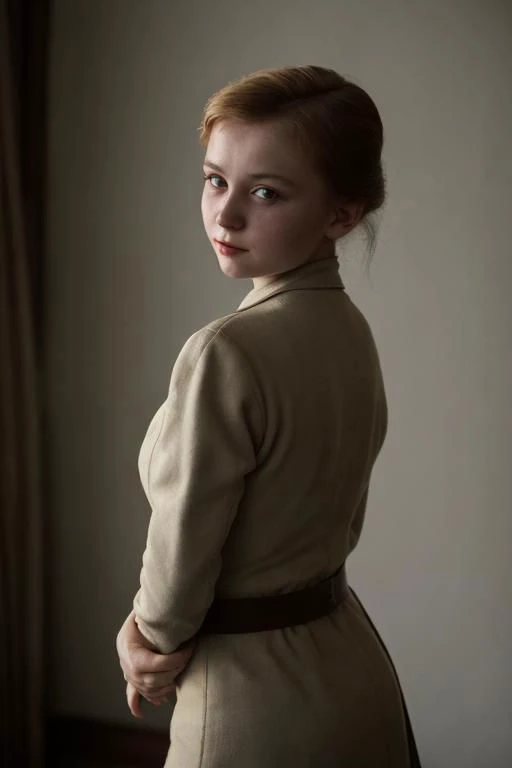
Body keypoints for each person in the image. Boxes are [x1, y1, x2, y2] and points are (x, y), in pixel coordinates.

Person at [116, 64, 421, 767]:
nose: (225, 215)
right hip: (351, 667)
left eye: (266, 192)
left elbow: (181, 556)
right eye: (215, 179)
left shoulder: (226, 351)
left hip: (251, 701)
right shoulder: (350, 330)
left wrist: (144, 640)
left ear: (342, 214)